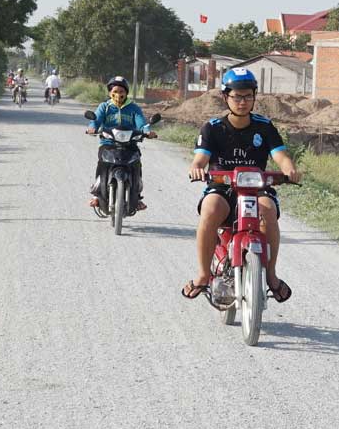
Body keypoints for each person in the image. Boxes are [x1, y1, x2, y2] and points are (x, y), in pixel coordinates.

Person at [182, 67, 301, 303]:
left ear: (255, 96)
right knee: (210, 209)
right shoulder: (212, 127)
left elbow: (280, 155)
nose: (242, 101)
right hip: (223, 188)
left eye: (248, 95)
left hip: (257, 189)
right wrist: (197, 167)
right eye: (236, 96)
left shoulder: (265, 126)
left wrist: (289, 168)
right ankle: (204, 274)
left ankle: (271, 275)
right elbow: (201, 158)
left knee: (268, 209)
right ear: (226, 97)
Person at [85, 76, 155, 209]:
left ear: (126, 92)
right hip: (108, 143)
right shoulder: (104, 107)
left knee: (136, 165)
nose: (118, 94)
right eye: (115, 91)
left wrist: (147, 131)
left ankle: (137, 196)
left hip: (130, 144)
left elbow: (142, 124)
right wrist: (92, 127)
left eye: (121, 91)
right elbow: (96, 120)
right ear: (109, 92)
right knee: (102, 163)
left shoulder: (133, 108)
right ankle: (96, 195)